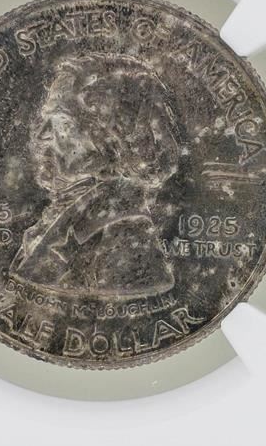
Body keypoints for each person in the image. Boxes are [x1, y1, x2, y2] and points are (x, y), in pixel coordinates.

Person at [10, 53, 180, 298]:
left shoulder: (125, 237)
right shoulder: (76, 212)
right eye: (47, 119)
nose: (43, 134)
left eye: (63, 121)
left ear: (111, 137)